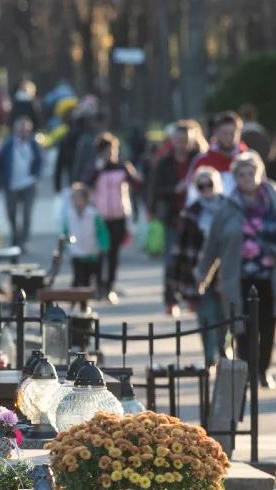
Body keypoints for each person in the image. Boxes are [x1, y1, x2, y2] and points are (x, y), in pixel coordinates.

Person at [195, 152, 276, 389]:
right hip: (239, 277)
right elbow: (213, 243)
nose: (247, 178)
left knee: (269, 324)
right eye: (241, 175)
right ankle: (249, 372)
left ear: (260, 174)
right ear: (235, 178)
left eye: (251, 173)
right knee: (242, 328)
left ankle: (264, 370)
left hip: (271, 276)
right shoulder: (227, 207)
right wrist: (203, 273)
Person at [169, 166, 227, 366]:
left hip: (225, 271)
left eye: (209, 184)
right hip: (199, 271)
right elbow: (179, 249)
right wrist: (174, 284)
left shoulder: (229, 208)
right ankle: (210, 356)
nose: (206, 189)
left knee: (224, 314)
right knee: (206, 315)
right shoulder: (191, 212)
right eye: (200, 185)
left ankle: (222, 348)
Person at [151, 120, 207, 315]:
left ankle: (192, 297)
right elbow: (155, 189)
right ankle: (170, 300)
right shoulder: (165, 162)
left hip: (197, 218)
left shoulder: (199, 160)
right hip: (173, 218)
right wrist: (174, 189)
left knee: (195, 259)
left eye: (186, 140)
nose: (182, 144)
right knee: (171, 260)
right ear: (173, 141)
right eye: (179, 140)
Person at [86, 132, 143, 303]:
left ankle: (110, 287)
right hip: (100, 217)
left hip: (119, 215)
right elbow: (85, 185)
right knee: (99, 253)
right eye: (107, 151)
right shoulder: (95, 169)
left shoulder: (123, 167)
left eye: (113, 150)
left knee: (113, 254)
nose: (111, 154)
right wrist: (97, 169)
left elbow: (137, 185)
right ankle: (98, 286)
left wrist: (133, 174)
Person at [0, 117, 43, 250]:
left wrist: (36, 177)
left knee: (26, 213)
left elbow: (40, 160)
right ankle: (15, 237)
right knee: (11, 213)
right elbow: (0, 163)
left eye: (26, 130)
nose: (23, 132)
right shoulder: (8, 145)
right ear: (15, 130)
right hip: (12, 184)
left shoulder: (33, 144)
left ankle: (23, 241)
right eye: (21, 130)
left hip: (28, 183)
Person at [187, 111, 249, 203]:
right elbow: (192, 194)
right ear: (216, 133)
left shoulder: (248, 159)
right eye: (224, 133)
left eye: (232, 133)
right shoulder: (202, 160)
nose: (228, 137)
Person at [61, 183, 105, 292]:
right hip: (76, 252)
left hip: (91, 251)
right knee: (79, 277)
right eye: (75, 198)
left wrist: (104, 245)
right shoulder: (69, 215)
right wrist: (65, 245)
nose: (77, 201)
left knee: (89, 278)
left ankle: (92, 295)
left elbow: (101, 231)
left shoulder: (93, 214)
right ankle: (78, 299)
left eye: (79, 198)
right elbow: (65, 232)